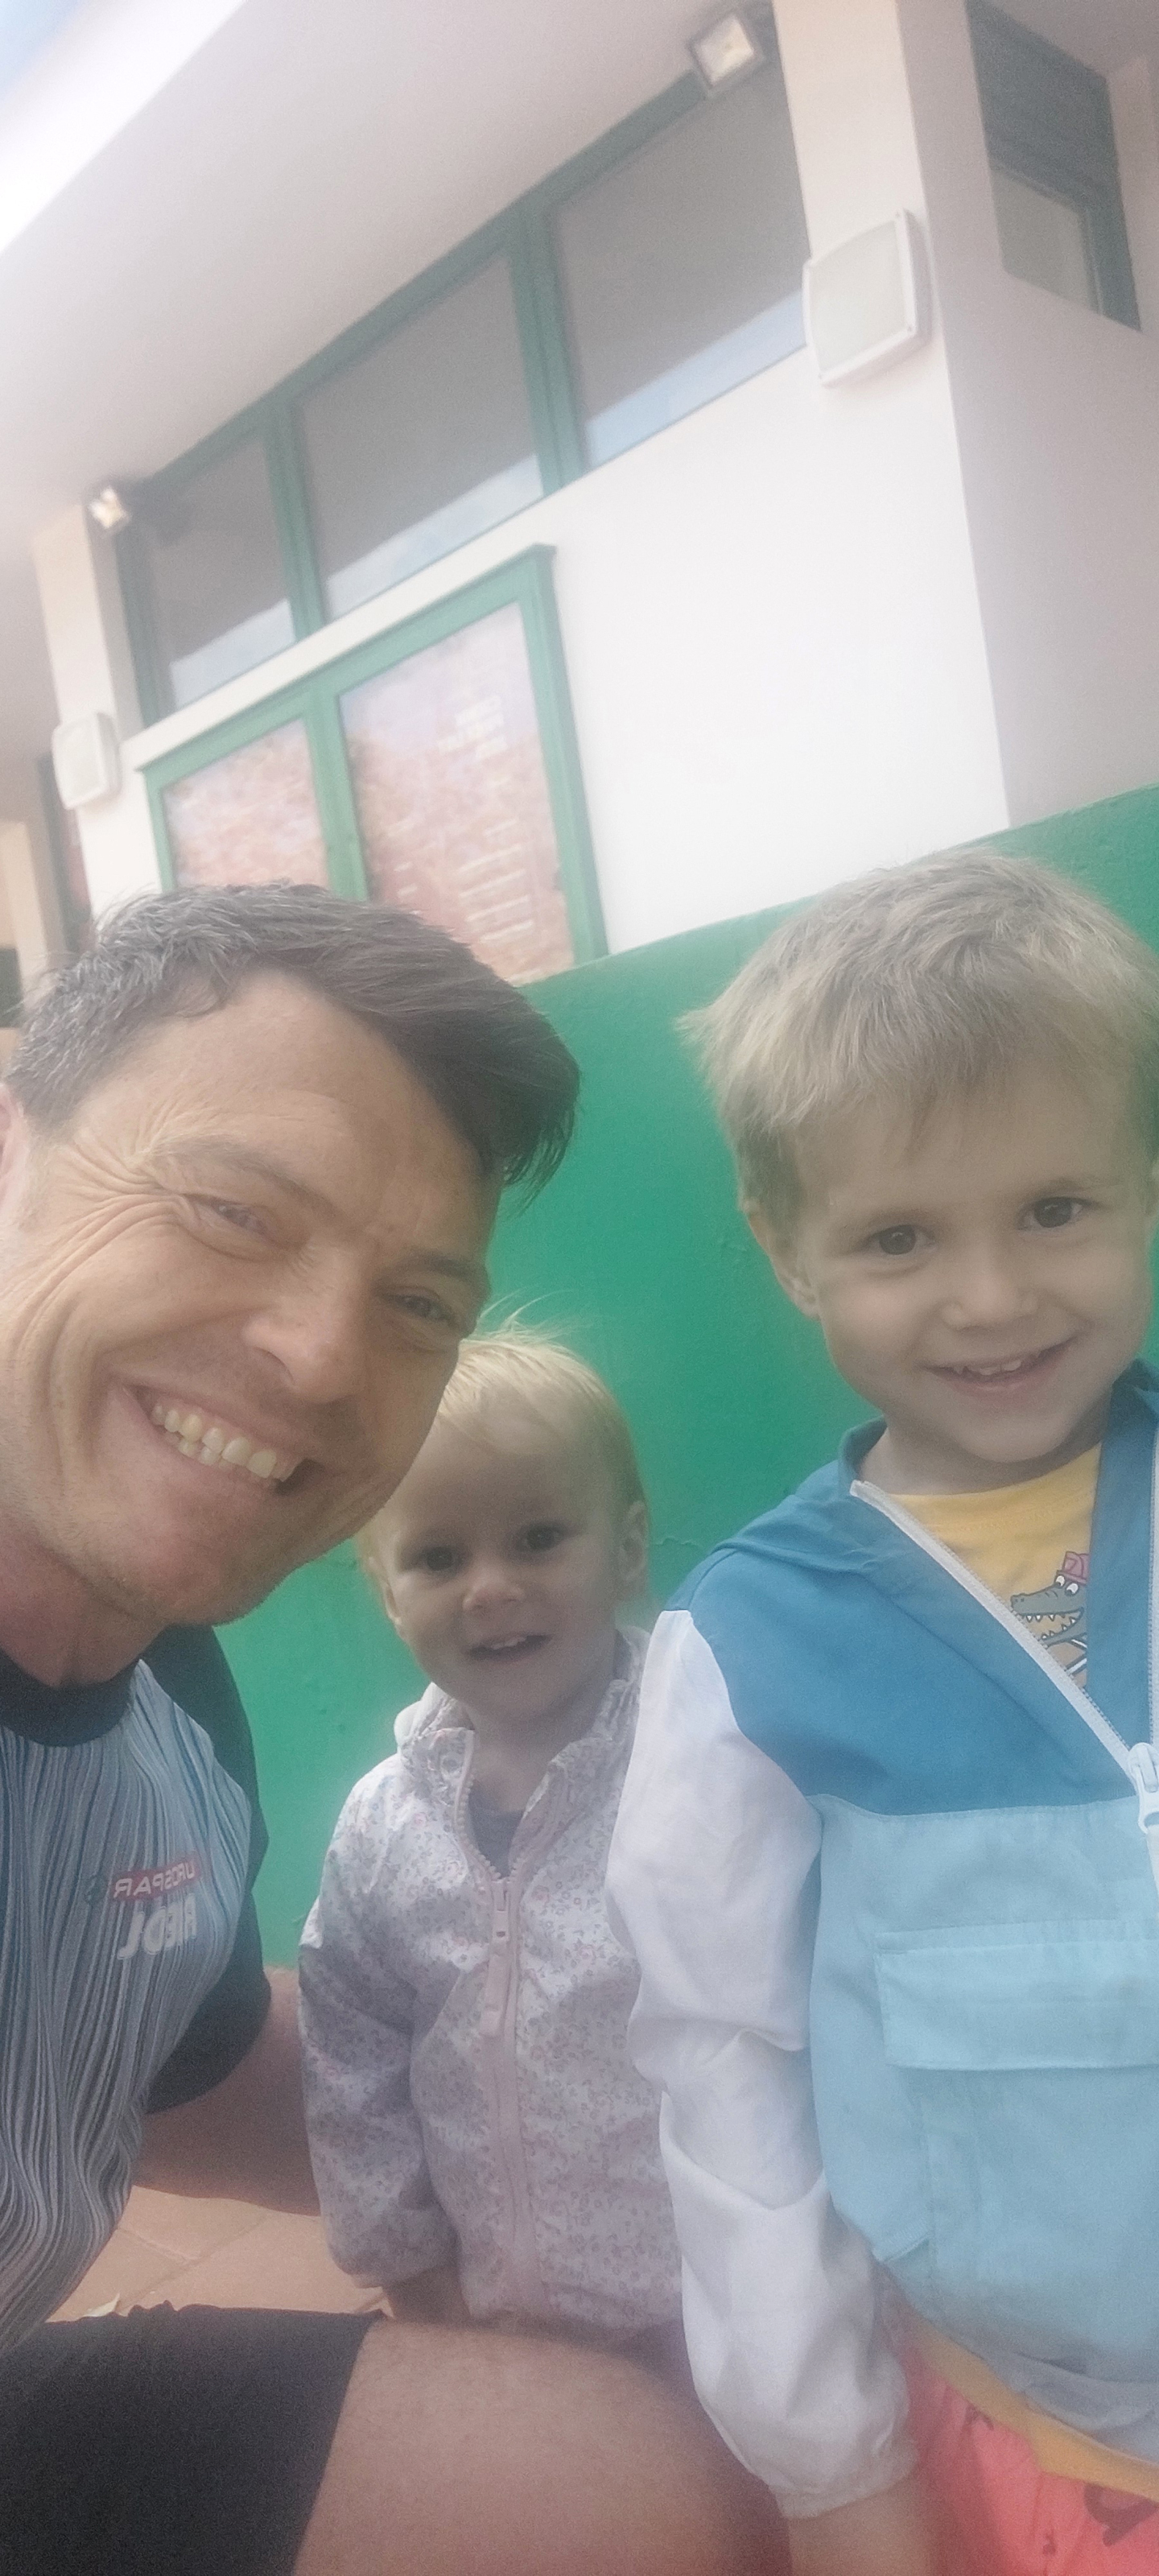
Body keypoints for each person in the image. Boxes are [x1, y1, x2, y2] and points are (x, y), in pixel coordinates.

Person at [0, 886, 772, 2576]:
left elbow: (199, 2069)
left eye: (422, 1303)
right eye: (232, 1209)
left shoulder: (170, 1709)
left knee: (630, 2489)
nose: (318, 1356)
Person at [607, 851, 1159, 2576]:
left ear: (1148, 1182)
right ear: (787, 1247)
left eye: (1056, 1208)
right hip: (1040, 2456)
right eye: (901, 1236)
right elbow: (729, 2067)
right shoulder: (754, 1646)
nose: (991, 1297)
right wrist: (835, 2477)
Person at [300, 1333, 687, 2356]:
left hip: (716, 2311)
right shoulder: (383, 1824)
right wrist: (411, 2272)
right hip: (493, 2315)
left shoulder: (701, 1768)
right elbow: (352, 2062)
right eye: (438, 1556)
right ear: (388, 1591)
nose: (490, 1586)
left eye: (538, 1537)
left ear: (628, 1549)